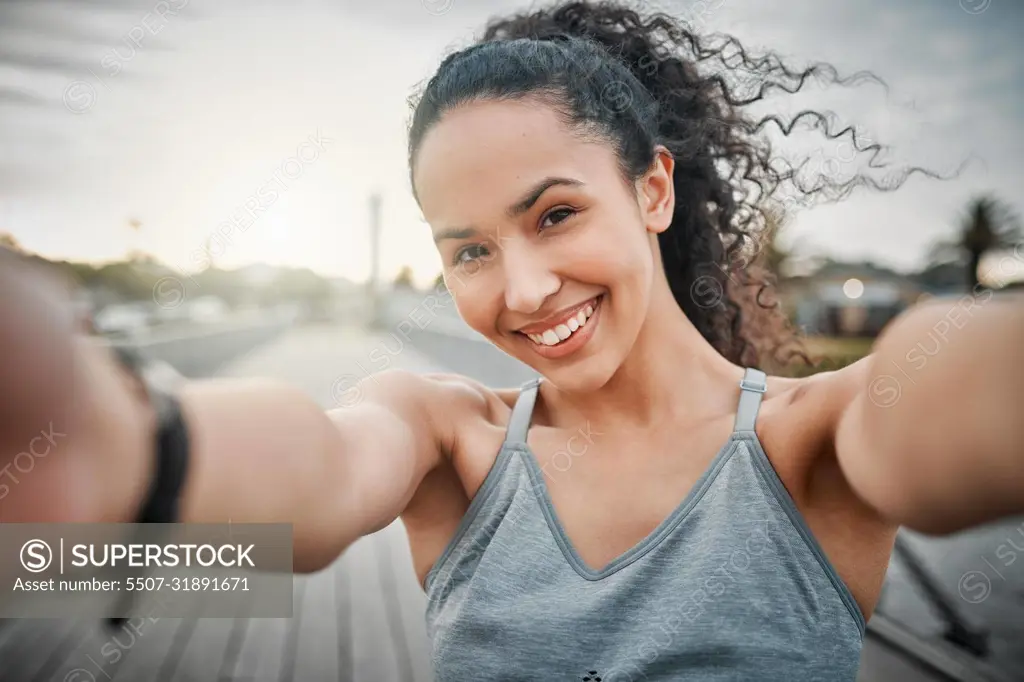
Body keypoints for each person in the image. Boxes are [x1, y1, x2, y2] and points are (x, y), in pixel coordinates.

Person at [2, 1, 1023, 679]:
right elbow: (310, 482)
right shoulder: (447, 436)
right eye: (469, 250)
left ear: (652, 189)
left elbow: (934, 398)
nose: (523, 289)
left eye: (554, 214)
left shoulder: (812, 446)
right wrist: (122, 455)